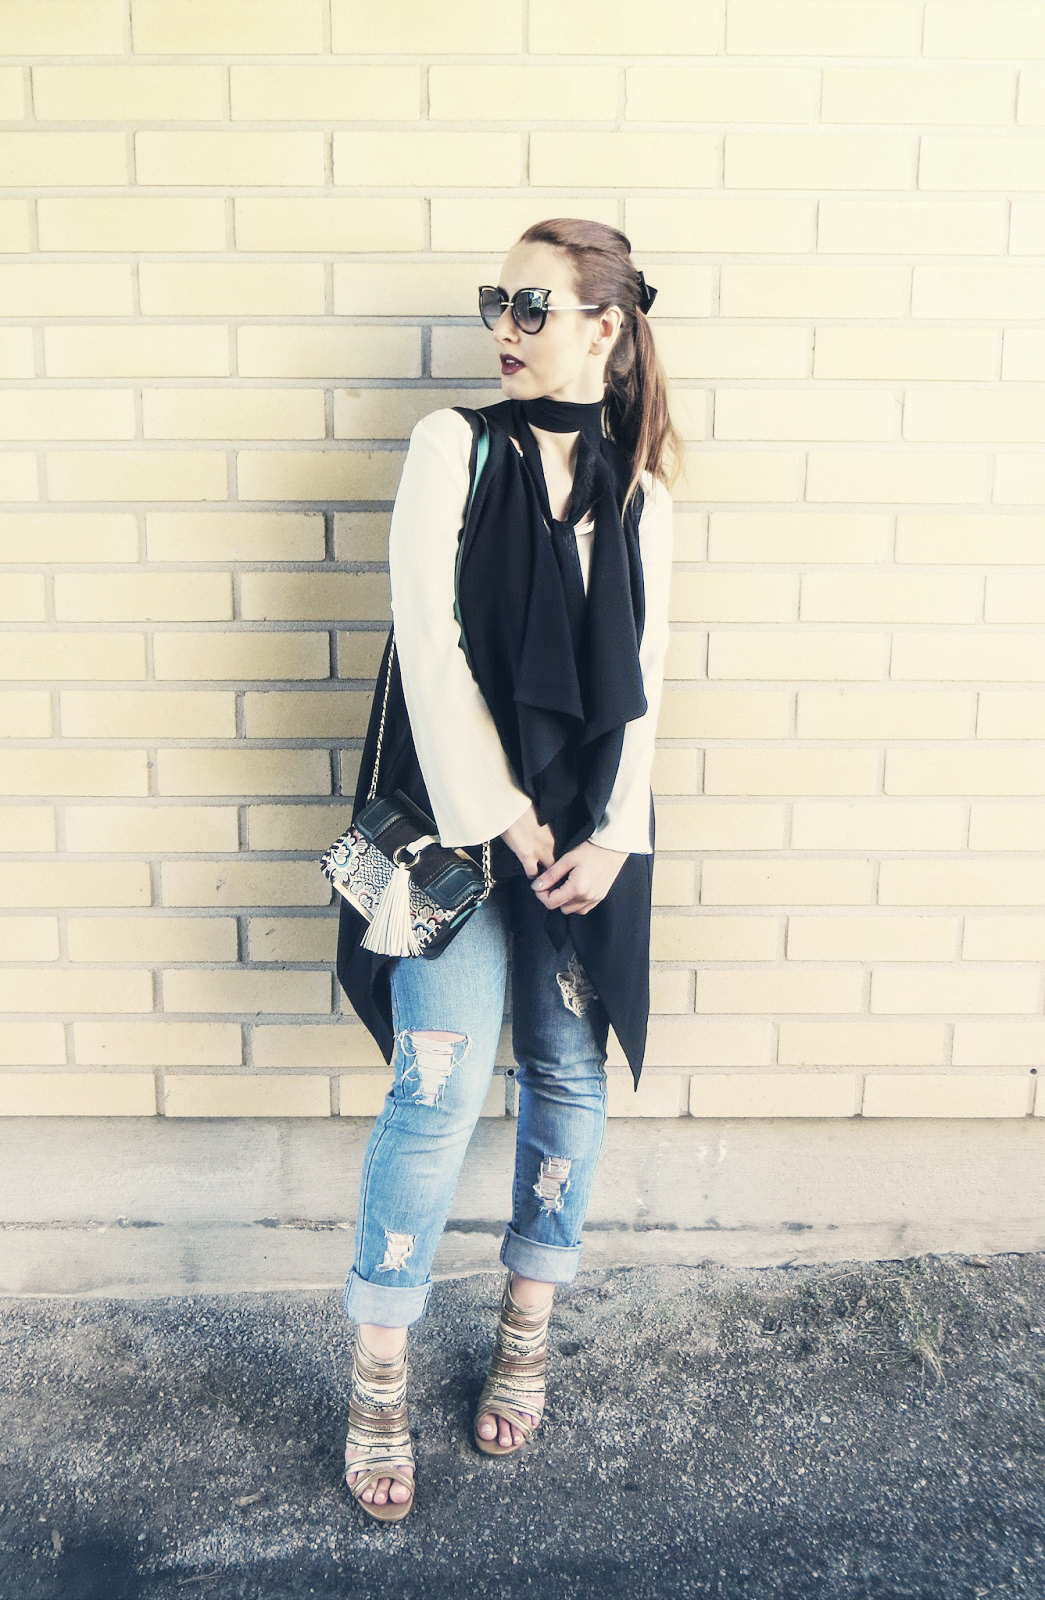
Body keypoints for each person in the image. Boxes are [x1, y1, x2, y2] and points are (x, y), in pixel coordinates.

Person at [334, 217, 679, 1521]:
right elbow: (426, 647)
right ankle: (378, 1376)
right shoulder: (454, 446)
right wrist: (505, 816)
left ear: (604, 325)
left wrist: (611, 835)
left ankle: (526, 1335)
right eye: (499, 302)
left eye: (532, 306)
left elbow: (647, 680)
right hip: (451, 829)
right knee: (434, 1086)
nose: (504, 328)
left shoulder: (641, 492)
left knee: (564, 1074)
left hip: (587, 836)